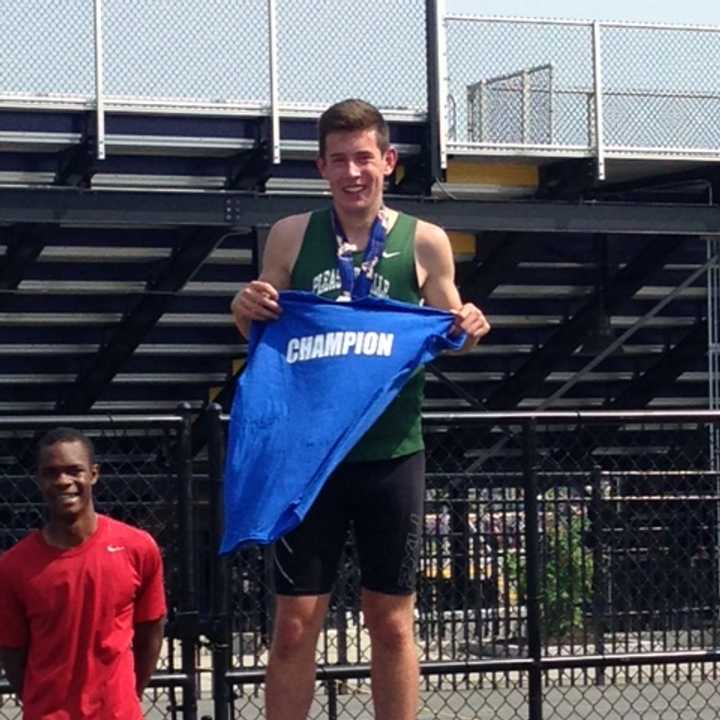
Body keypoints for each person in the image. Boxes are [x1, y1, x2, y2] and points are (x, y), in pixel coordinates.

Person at [230, 98, 491, 720]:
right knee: (295, 624)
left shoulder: (424, 242)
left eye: (364, 159)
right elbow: (266, 332)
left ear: (388, 162)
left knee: (393, 623)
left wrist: (472, 326)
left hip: (391, 455)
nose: (353, 172)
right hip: (309, 458)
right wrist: (244, 309)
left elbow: (451, 329)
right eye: (340, 160)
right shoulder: (292, 235)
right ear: (321, 166)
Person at [0, 427, 167, 719]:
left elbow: (150, 629)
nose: (64, 481)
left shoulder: (137, 547)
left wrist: (128, 694)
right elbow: (13, 652)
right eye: (52, 473)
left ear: (93, 474)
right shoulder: (14, 566)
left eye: (74, 470)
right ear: (39, 480)